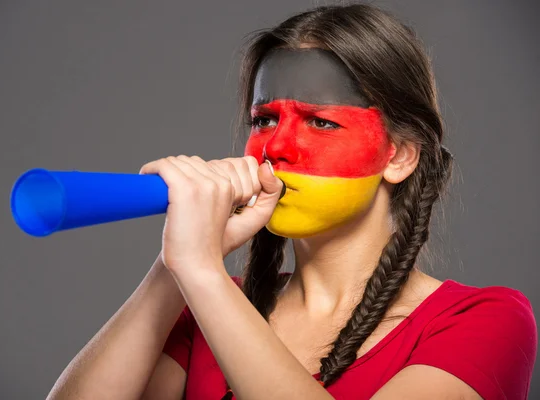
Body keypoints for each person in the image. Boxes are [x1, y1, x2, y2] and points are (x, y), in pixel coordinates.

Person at [46, 4, 537, 400]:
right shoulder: (208, 301)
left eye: (320, 121)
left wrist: (200, 272)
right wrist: (176, 265)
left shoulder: (484, 320)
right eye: (264, 120)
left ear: (400, 156)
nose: (275, 148)